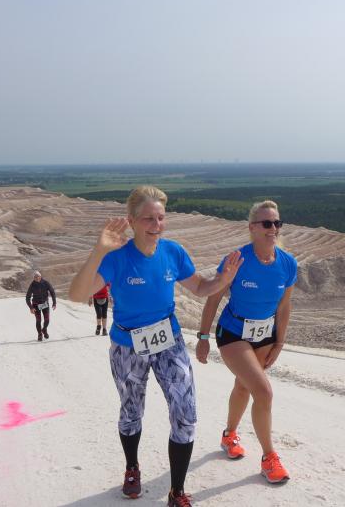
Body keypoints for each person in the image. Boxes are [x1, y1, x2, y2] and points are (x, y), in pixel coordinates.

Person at [69, 185, 243, 507]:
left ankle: (177, 492)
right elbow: (77, 295)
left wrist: (223, 280)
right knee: (131, 411)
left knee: (185, 413)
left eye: (161, 217)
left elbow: (200, 287)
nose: (156, 225)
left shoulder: (173, 252)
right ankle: (132, 467)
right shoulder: (116, 258)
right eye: (149, 218)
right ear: (132, 221)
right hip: (127, 346)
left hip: (169, 342)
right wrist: (98, 251)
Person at [196, 200, 296, 484]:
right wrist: (203, 337)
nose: (273, 228)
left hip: (264, 335)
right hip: (233, 333)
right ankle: (269, 457)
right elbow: (213, 299)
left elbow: (284, 306)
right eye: (266, 223)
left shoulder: (288, 263)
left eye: (277, 223)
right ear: (252, 228)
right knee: (263, 392)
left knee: (244, 385)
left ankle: (229, 435)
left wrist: (279, 341)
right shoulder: (237, 260)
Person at [26, 271, 57, 342]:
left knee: (47, 319)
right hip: (36, 305)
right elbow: (27, 297)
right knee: (38, 320)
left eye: (38, 276)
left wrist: (54, 303)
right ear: (33, 278)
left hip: (44, 304)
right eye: (35, 277)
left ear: (40, 276)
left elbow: (52, 292)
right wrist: (31, 307)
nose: (37, 278)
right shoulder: (32, 285)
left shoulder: (45, 283)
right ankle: (39, 334)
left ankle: (44, 329)